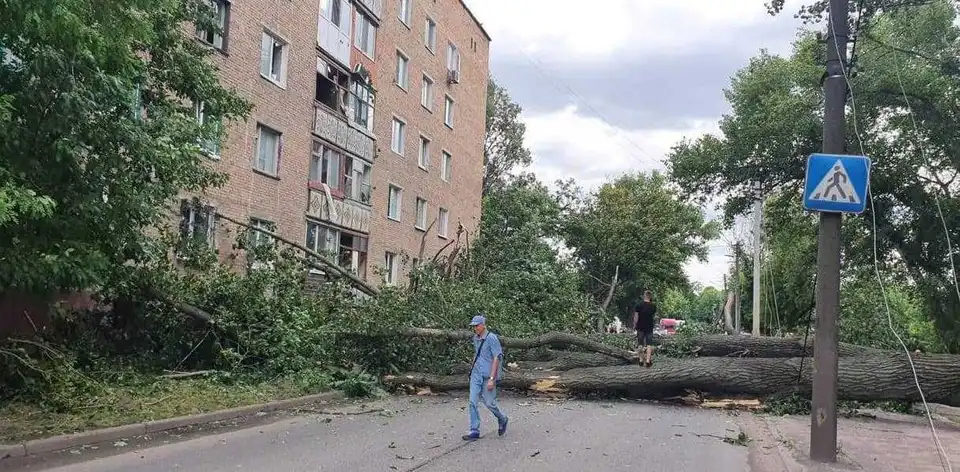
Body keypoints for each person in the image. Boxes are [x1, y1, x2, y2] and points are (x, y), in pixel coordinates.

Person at [462, 314, 509, 441]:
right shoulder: (475, 338)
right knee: (472, 401)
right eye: (473, 326)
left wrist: (492, 379)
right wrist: (472, 370)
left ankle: (503, 419)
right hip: (476, 374)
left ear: (483, 325)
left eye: (477, 326)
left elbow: (496, 358)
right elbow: (477, 355)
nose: (475, 328)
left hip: (488, 375)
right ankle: (474, 430)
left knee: (489, 403)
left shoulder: (492, 338)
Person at [633, 291, 657, 367]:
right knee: (649, 344)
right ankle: (647, 361)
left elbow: (636, 317)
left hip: (640, 327)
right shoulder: (653, 306)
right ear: (650, 297)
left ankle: (641, 360)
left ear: (644, 296)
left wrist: (634, 325)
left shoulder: (639, 305)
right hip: (649, 327)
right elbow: (653, 317)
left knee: (640, 344)